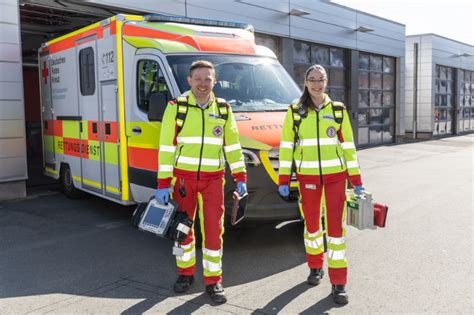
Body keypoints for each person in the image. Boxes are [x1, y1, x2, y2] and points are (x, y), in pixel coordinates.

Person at [155, 60, 247, 304]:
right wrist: (164, 183)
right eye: (198, 79)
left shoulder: (224, 110)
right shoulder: (176, 107)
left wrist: (240, 177)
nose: (203, 84)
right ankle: (185, 275)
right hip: (184, 180)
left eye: (208, 79)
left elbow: (233, 147)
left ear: (214, 81)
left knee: (214, 232)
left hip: (213, 180)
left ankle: (213, 280)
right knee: (183, 229)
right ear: (189, 81)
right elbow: (166, 148)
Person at [277, 64, 364, 305]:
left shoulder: (337, 111)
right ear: (305, 82)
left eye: (321, 79)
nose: (317, 83)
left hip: (336, 178)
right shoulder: (295, 112)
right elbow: (286, 147)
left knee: (336, 231)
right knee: (312, 226)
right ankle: (315, 266)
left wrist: (356, 180)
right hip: (308, 179)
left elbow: (348, 147)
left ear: (327, 82)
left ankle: (339, 282)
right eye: (312, 79)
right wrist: (284, 179)